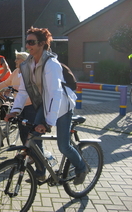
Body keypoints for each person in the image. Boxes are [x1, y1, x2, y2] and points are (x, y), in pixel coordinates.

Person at [5, 26, 87, 185]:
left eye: (31, 42)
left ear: (42, 43)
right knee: (33, 139)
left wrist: (48, 123)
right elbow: (23, 91)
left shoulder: (51, 64)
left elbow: (55, 94)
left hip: (62, 106)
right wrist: (14, 111)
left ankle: (81, 167)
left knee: (63, 146)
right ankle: (41, 172)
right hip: (45, 102)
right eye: (26, 42)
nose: (28, 46)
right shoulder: (28, 64)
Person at [0, 50, 36, 145]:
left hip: (30, 106)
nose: (15, 61)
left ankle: (35, 155)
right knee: (23, 132)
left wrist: (13, 88)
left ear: (24, 60)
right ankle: (26, 151)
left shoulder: (30, 72)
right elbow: (6, 83)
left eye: (17, 59)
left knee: (31, 132)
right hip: (19, 106)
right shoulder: (16, 72)